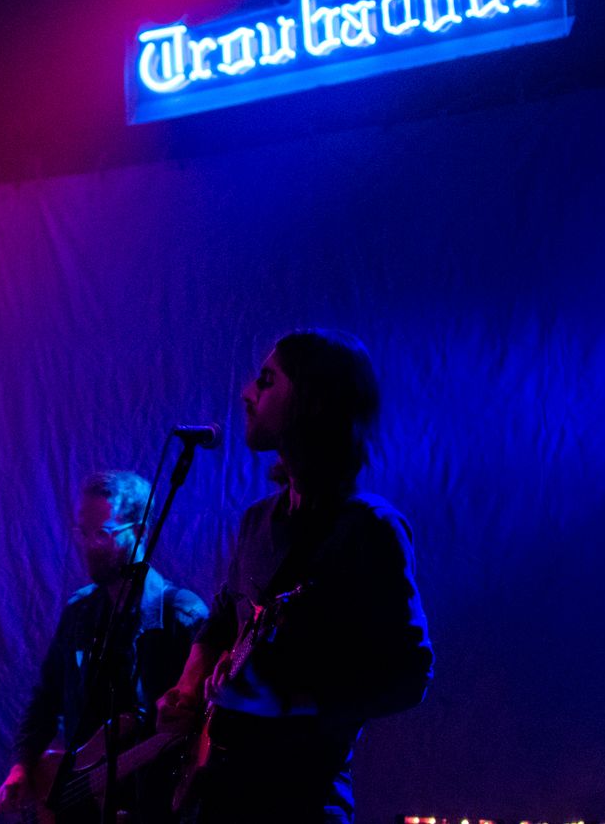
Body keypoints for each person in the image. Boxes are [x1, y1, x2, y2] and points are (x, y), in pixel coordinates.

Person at [158, 329, 434, 824]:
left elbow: (410, 674)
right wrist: (187, 686)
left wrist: (288, 701)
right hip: (220, 796)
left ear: (313, 401)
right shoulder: (257, 521)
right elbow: (223, 615)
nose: (247, 392)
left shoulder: (369, 528)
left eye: (267, 381)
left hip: (304, 803)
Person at [0, 470, 209, 823]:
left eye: (102, 534)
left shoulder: (182, 615)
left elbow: (206, 720)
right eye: (83, 532)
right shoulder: (80, 611)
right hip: (83, 807)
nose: (89, 545)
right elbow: (46, 699)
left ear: (140, 532)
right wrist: (23, 765)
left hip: (155, 806)